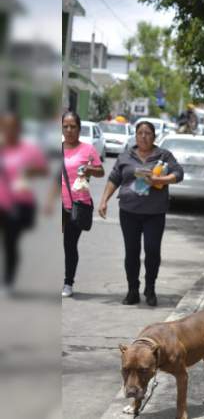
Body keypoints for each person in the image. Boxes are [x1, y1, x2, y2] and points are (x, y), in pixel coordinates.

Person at [97, 121, 184, 306]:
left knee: (152, 251)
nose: (144, 136)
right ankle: (132, 290)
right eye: (140, 133)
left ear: (154, 136)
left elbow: (179, 173)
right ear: (135, 136)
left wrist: (159, 179)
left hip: (155, 212)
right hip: (129, 211)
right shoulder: (125, 156)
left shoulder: (163, 155)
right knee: (132, 252)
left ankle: (150, 288)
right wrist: (104, 200)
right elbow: (114, 179)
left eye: (148, 133)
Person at [0, 113, 48, 295]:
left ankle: (9, 280)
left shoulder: (29, 149)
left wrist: (30, 170)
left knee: (10, 243)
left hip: (18, 204)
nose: (9, 130)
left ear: (18, 129)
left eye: (12, 126)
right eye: (5, 127)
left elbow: (44, 170)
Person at [59, 111, 105, 298]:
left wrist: (90, 169)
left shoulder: (88, 150)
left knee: (69, 245)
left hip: (76, 205)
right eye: (65, 126)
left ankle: (68, 283)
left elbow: (101, 171)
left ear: (79, 128)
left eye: (73, 126)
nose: (69, 130)